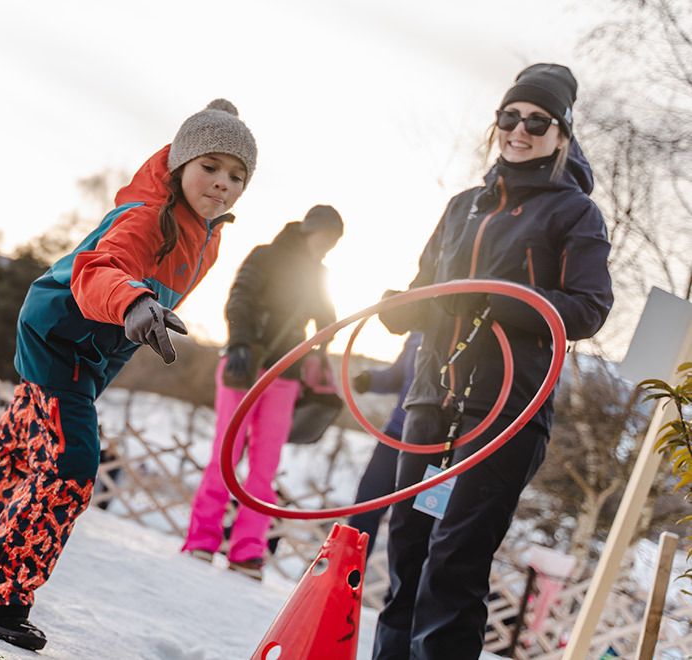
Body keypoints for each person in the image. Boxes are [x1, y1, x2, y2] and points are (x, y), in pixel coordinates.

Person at [0, 99, 257, 651]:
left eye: (237, 176)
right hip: (60, 335)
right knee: (71, 461)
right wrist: (134, 302)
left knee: (25, 436)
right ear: (181, 164)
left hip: (94, 353)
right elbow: (97, 269)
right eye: (210, 166)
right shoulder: (146, 217)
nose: (222, 184)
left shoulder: (208, 236)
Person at [371, 64, 613, 660]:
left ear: (562, 134)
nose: (520, 131)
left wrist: (507, 302)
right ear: (496, 125)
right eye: (510, 118)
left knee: (453, 565)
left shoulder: (574, 214)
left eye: (538, 121)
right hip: (432, 402)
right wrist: (402, 309)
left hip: (505, 412)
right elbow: (427, 289)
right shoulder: (461, 208)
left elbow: (588, 308)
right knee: (407, 551)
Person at [182, 204, 343, 581]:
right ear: (309, 230)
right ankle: (202, 541)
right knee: (227, 451)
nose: (328, 247)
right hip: (245, 364)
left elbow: (327, 325)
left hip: (286, 373)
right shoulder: (267, 255)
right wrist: (238, 341)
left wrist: (326, 322)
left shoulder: (320, 273)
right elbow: (239, 298)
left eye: (334, 243)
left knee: (265, 464)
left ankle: (247, 551)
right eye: (325, 238)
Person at [346, 331, 421, 557]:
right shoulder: (419, 330)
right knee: (364, 508)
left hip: (431, 446)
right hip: (395, 435)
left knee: (412, 523)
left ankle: (402, 591)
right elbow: (398, 376)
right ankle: (344, 580)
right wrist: (371, 379)